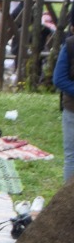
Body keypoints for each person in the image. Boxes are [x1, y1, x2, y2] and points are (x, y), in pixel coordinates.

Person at [55, 34, 74, 183]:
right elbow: (59, 79)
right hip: (72, 109)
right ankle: (69, 201)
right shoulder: (70, 46)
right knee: (72, 157)